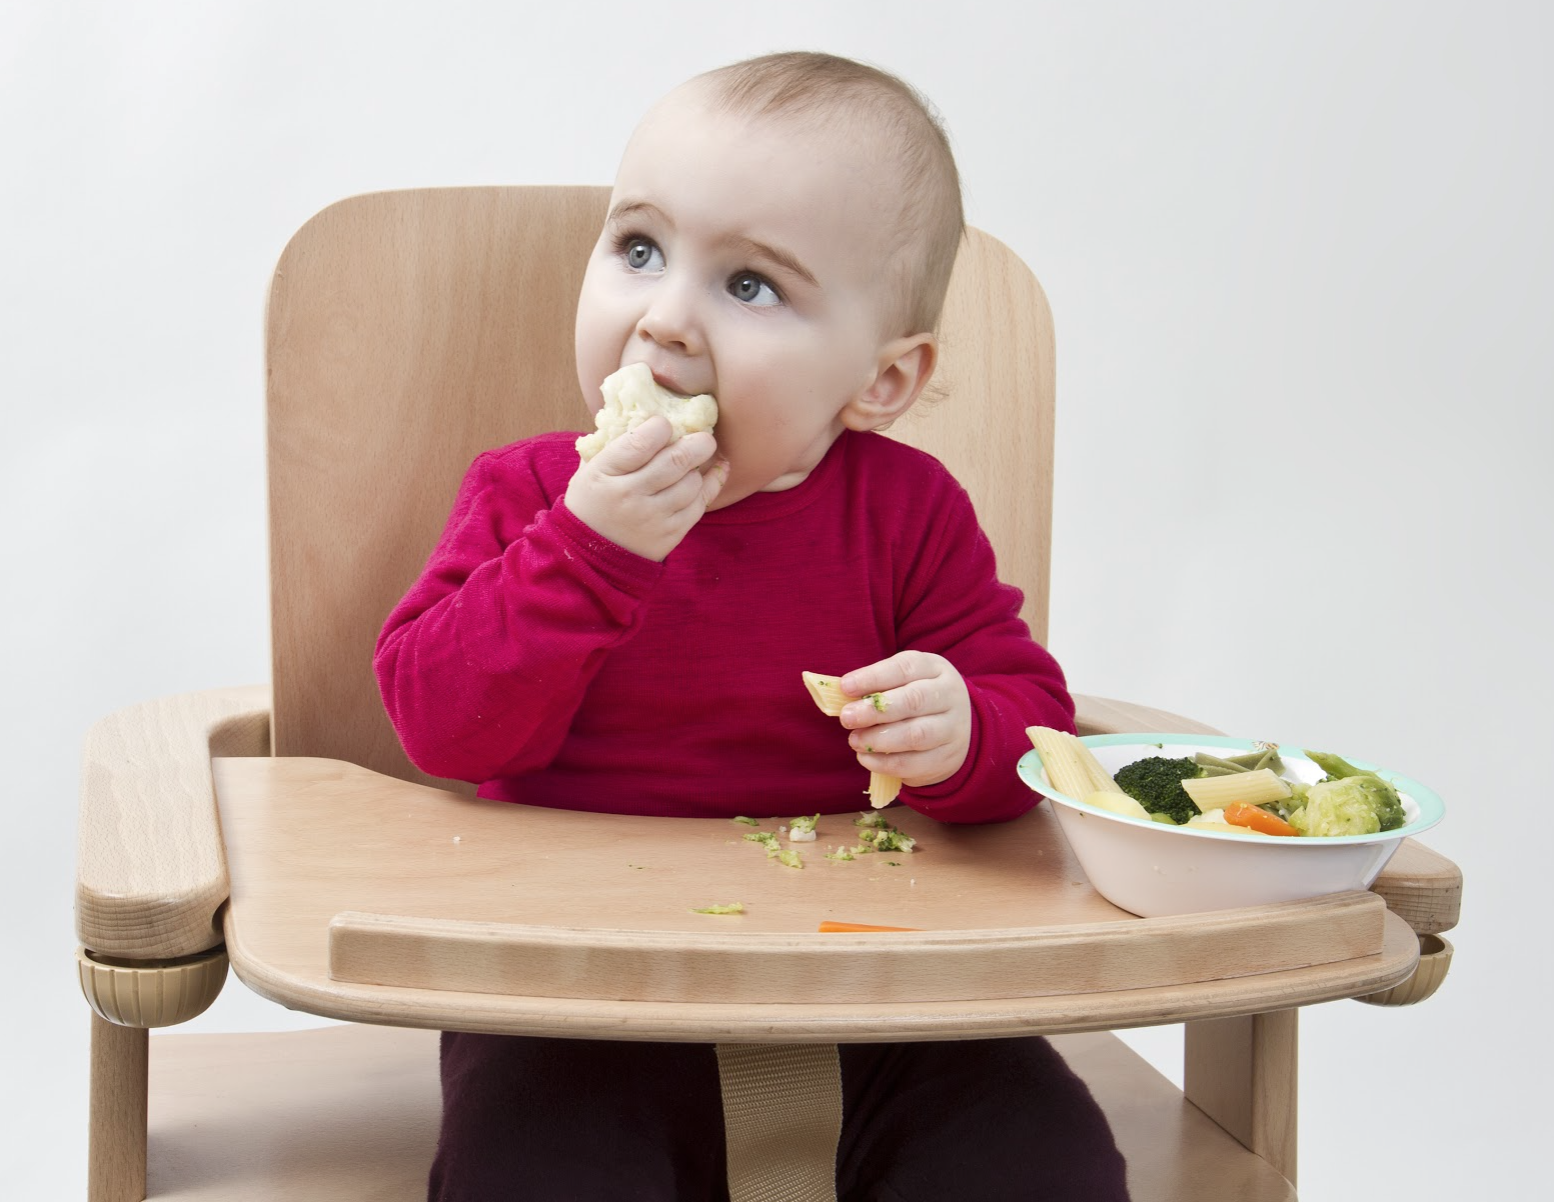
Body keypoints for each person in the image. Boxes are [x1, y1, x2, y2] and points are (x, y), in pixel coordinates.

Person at [376, 50, 1129, 1202]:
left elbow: (1035, 730)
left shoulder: (909, 516)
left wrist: (964, 727)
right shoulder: (529, 498)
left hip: (887, 989)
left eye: (750, 286)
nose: (664, 321)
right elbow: (436, 720)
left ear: (879, 382)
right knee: (534, 1171)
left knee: (1043, 1158)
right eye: (639, 250)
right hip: (573, 995)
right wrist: (585, 551)